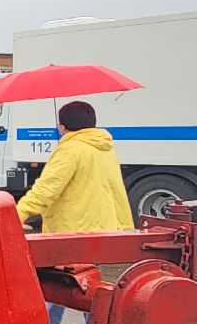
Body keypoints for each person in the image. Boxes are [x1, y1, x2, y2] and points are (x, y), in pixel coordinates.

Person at [15, 100, 133, 234]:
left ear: (61, 127)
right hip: (108, 228)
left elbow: (46, 189)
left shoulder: (70, 149)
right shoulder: (105, 147)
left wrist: (19, 213)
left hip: (76, 232)